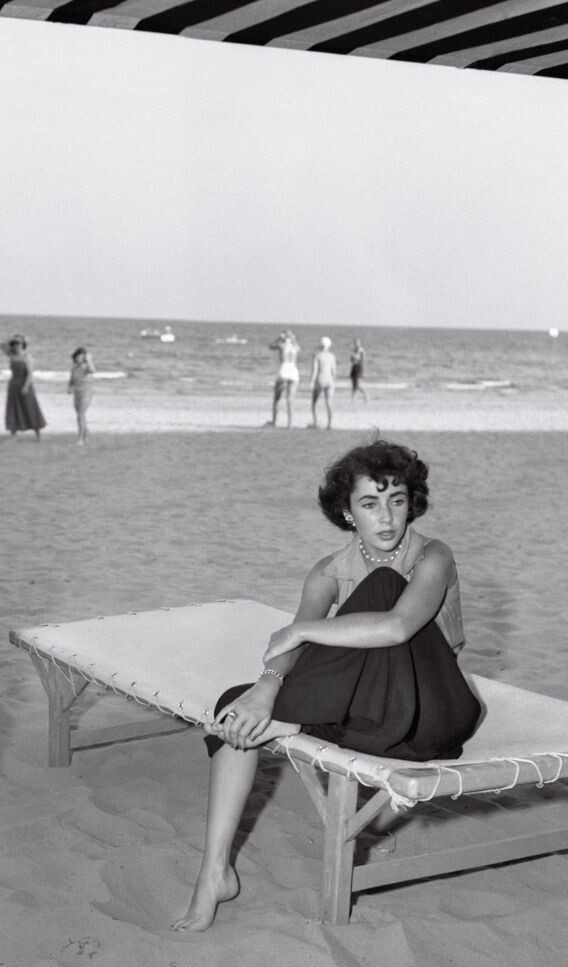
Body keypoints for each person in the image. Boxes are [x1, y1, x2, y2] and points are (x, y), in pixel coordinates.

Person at [172, 439, 481, 932]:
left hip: (433, 716)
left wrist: (302, 631)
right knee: (237, 705)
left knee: (382, 586)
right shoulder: (327, 572)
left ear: (412, 504)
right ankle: (214, 873)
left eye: (397, 501)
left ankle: (296, 722)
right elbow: (288, 651)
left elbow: (397, 627)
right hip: (369, 718)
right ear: (347, 512)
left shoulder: (433, 556)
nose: (387, 517)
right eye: (370, 503)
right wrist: (267, 687)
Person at [1, 333, 46, 441]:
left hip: (25, 383)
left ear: (23, 345)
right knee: (13, 408)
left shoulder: (27, 357)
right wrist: (13, 337)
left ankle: (38, 434)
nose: (16, 346)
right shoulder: (12, 355)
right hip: (13, 384)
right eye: (14, 344)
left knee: (30, 407)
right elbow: (2, 344)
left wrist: (26, 386)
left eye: (19, 344)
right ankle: (13, 434)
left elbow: (30, 374)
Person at [267, 330, 300, 428]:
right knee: (290, 399)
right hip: (294, 370)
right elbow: (297, 346)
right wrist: (293, 339)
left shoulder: (282, 346)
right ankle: (290, 424)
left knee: (277, 398)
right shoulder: (296, 347)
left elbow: (270, 346)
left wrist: (279, 338)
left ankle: (275, 421)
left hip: (284, 369)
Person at [67, 347, 96, 445]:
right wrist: (69, 387)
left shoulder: (86, 367)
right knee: (80, 416)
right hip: (77, 393)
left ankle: (80, 439)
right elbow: (71, 380)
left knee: (80, 415)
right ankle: (85, 435)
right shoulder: (74, 368)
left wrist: (89, 359)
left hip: (86, 393)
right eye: (78, 357)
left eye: (82, 357)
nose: (79, 359)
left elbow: (93, 370)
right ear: (75, 358)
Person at [309, 336, 337, 430]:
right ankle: (330, 424)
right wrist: (334, 382)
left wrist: (312, 382)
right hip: (330, 380)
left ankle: (315, 422)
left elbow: (315, 370)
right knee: (329, 403)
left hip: (320, 379)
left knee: (314, 402)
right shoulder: (332, 356)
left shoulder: (317, 355)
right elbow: (334, 371)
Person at [349, 337, 368, 403]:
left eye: (357, 342)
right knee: (353, 384)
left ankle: (366, 396)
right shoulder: (354, 350)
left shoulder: (361, 350)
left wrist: (356, 357)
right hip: (354, 367)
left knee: (358, 384)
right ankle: (353, 399)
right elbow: (351, 360)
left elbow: (363, 359)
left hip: (359, 367)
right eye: (355, 342)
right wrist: (352, 357)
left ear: (360, 343)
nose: (356, 344)